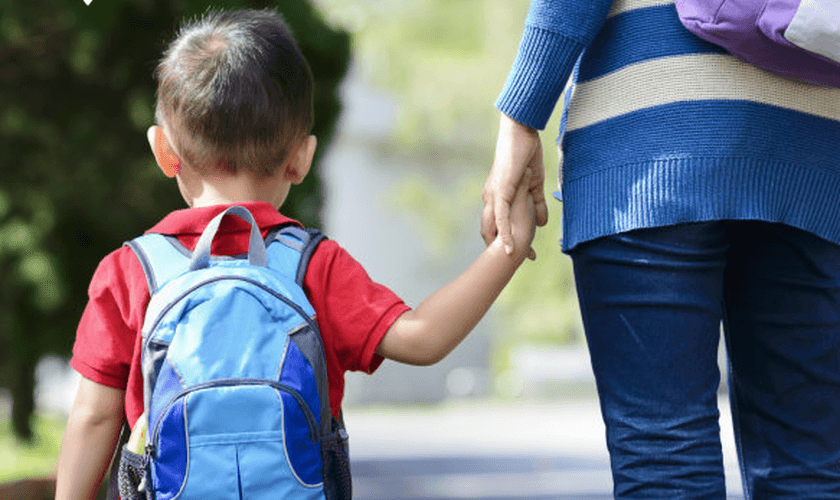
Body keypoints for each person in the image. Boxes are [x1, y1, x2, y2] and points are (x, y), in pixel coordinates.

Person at [55, 8, 536, 499]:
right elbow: (423, 338)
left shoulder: (130, 272)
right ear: (301, 158)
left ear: (163, 150)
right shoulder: (314, 265)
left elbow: (94, 417)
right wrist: (508, 247)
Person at [482, 0, 840, 498]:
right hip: (813, 139)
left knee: (666, 457)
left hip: (653, 125)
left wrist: (521, 115)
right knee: (806, 461)